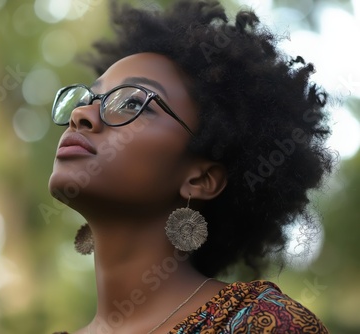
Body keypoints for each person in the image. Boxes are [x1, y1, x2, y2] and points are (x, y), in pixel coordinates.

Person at [48, 0, 333, 333]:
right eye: (87, 100)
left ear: (201, 179)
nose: (80, 115)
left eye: (131, 103)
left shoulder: (263, 325)